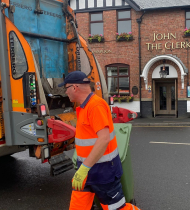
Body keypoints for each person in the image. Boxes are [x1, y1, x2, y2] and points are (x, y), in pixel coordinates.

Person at [58, 71, 139, 210]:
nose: (66, 92)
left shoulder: (95, 106)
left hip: (104, 172)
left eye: (66, 88)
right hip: (86, 172)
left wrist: (84, 168)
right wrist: (83, 169)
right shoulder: (85, 106)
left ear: (75, 87)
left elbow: (104, 139)